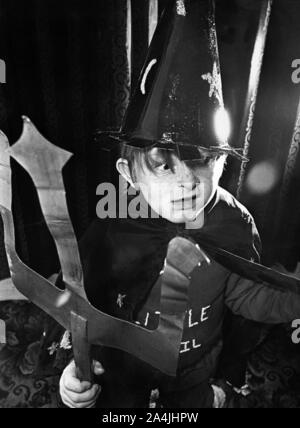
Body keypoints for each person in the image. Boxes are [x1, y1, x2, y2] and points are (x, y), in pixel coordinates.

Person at [57, 0, 300, 408]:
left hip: (194, 370)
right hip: (125, 372)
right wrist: (75, 369)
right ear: (129, 173)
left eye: (204, 158)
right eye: (161, 164)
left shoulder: (234, 223)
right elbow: (82, 302)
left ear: (223, 163)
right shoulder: (114, 224)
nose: (187, 180)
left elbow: (247, 294)